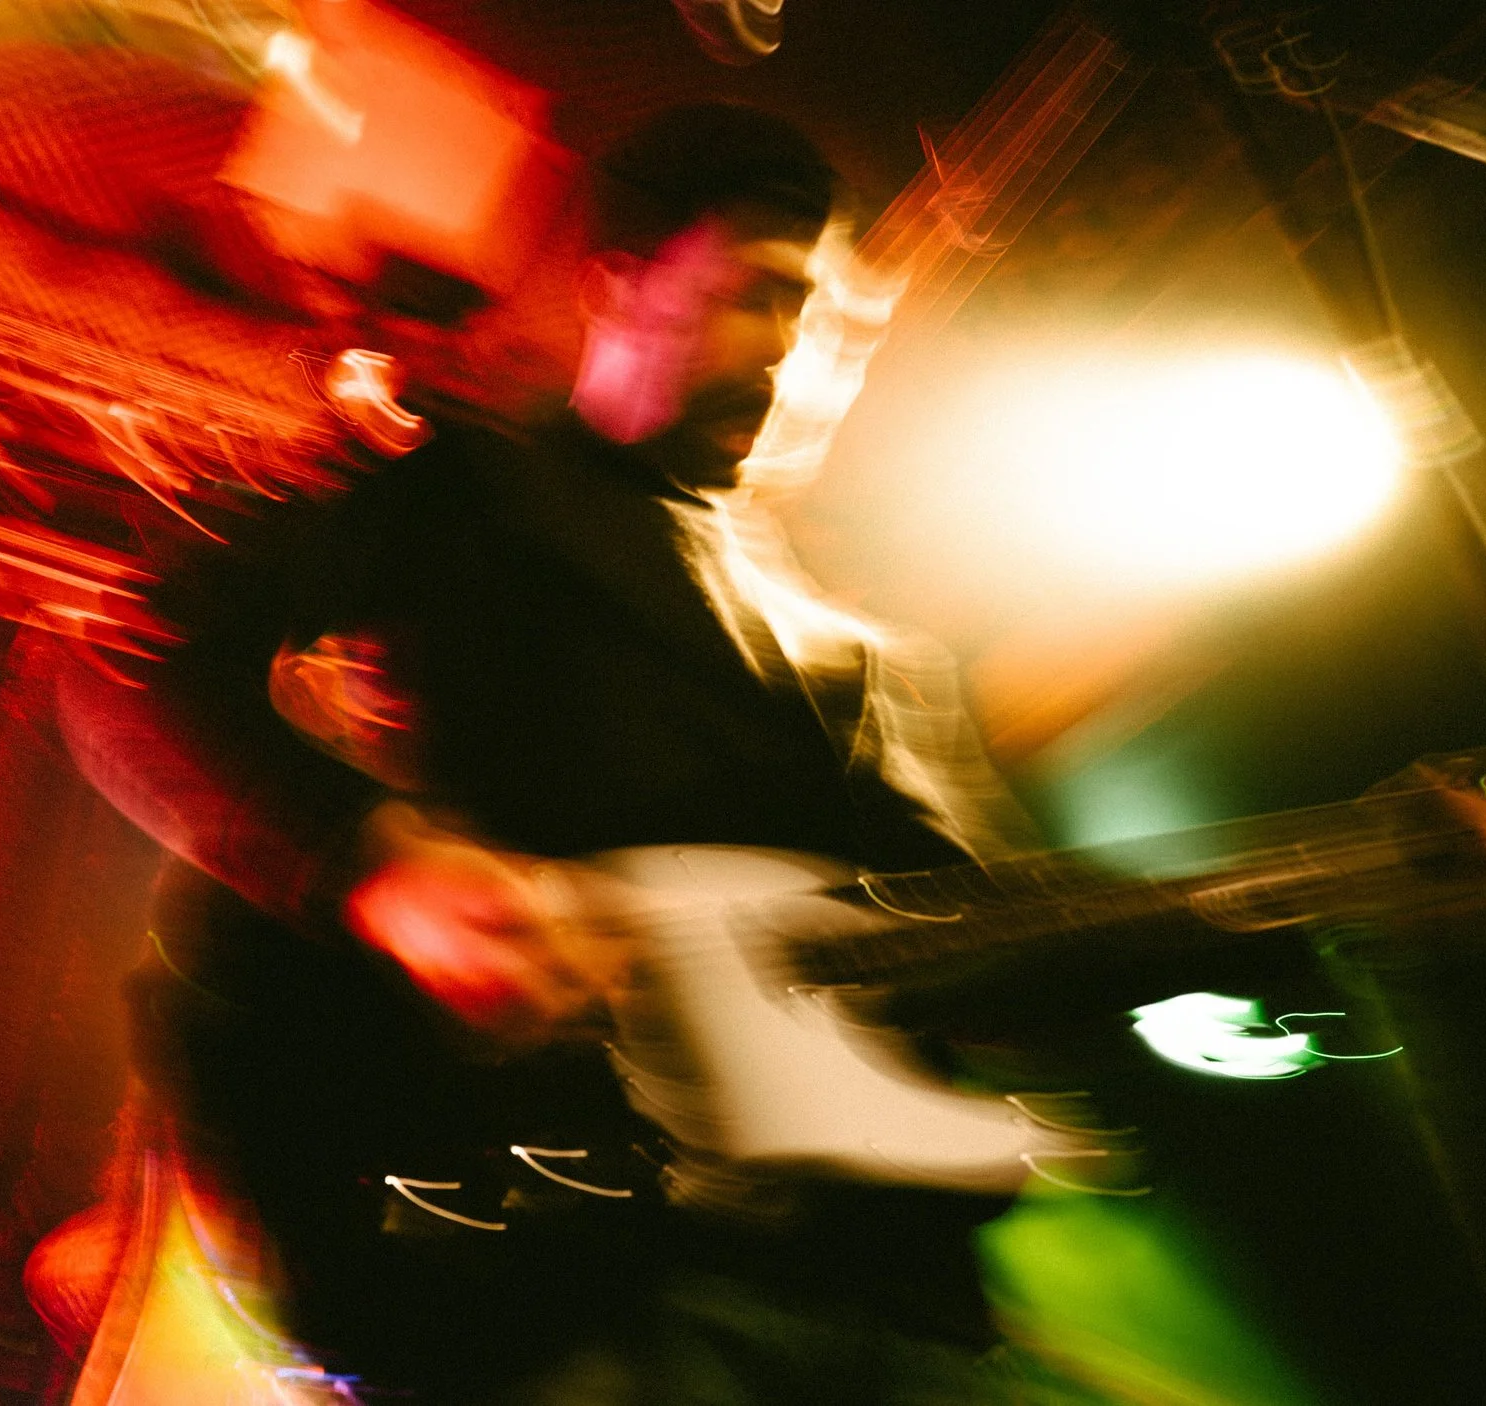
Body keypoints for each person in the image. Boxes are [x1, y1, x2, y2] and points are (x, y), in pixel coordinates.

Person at [58, 103, 1045, 1404]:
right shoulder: (468, 492)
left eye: (829, 329)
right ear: (619, 287)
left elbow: (989, 958)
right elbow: (134, 660)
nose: (798, 362)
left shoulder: (872, 659)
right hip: (581, 1277)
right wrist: (371, 860)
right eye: (762, 298)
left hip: (900, 1300)